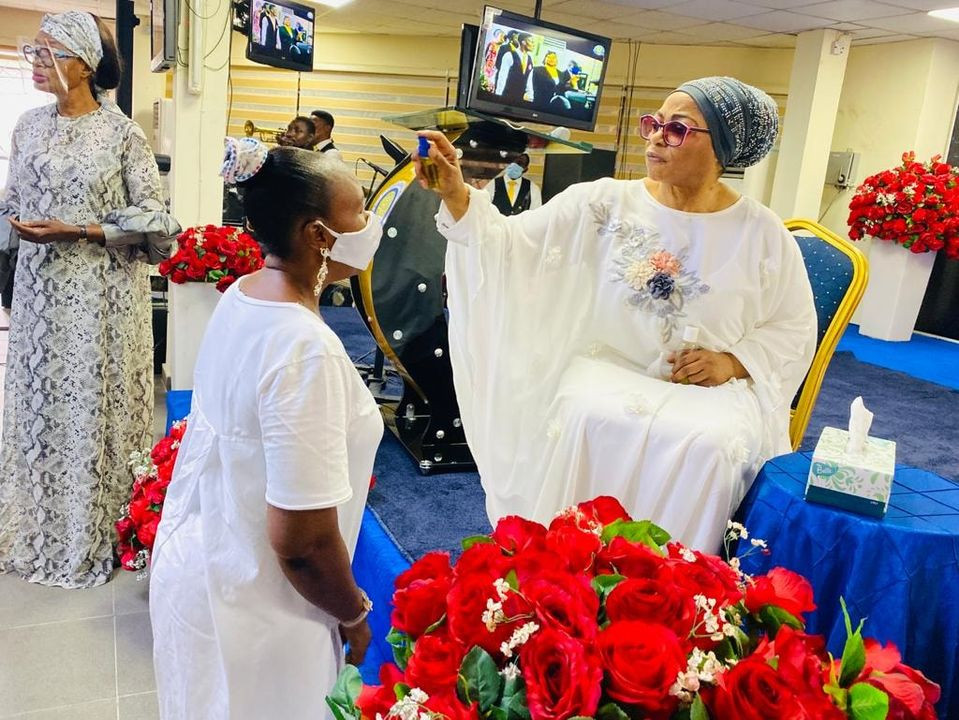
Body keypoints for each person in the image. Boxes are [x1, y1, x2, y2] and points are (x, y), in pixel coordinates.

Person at [415, 77, 817, 552]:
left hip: (710, 392)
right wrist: (457, 194)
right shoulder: (603, 202)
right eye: (654, 123)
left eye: (677, 129)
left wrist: (731, 362)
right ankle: (565, 565)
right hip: (607, 367)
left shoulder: (762, 232)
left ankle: (678, 582)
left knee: (711, 445)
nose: (655, 137)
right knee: (584, 414)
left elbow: (792, 326)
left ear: (723, 149)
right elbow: (510, 246)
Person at [150, 137, 383, 719]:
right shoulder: (305, 349)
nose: (369, 225)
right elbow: (302, 542)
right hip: (263, 609)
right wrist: (352, 613)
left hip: (204, 564)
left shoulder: (245, 292)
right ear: (317, 234)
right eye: (358, 211)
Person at [0, 11, 180, 588]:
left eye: (49, 52)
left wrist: (79, 230)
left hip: (101, 295)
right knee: (40, 404)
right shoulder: (27, 126)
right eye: (33, 50)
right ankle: (40, 521)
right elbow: (12, 200)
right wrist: (15, 222)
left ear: (84, 65)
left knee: (87, 404)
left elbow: (157, 221)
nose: (36, 62)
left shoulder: (122, 134)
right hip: (39, 291)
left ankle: (98, 526)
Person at [495, 33, 534, 102]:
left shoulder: (530, 59)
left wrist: (530, 96)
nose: (533, 44)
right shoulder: (509, 55)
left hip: (520, 98)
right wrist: (497, 96)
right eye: (531, 41)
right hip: (506, 95)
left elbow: (529, 80)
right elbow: (502, 77)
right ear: (523, 42)